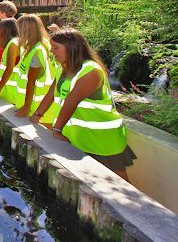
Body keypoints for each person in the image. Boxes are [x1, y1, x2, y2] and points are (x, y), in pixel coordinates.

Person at [29, 29, 134, 179]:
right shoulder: (64, 68)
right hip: (80, 138)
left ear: (72, 47)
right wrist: (36, 115)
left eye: (56, 47)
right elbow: (51, 94)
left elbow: (72, 100)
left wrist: (57, 129)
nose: (52, 52)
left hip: (103, 139)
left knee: (118, 183)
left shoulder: (91, 71)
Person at [13, 14, 55, 122]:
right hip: (50, 106)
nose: (18, 34)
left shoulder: (36, 51)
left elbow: (31, 81)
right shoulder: (46, 44)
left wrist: (26, 107)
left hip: (37, 107)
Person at [0, 18, 20, 105]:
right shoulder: (14, 42)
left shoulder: (13, 44)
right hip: (9, 91)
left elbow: (9, 70)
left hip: (12, 94)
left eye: (1, 29)